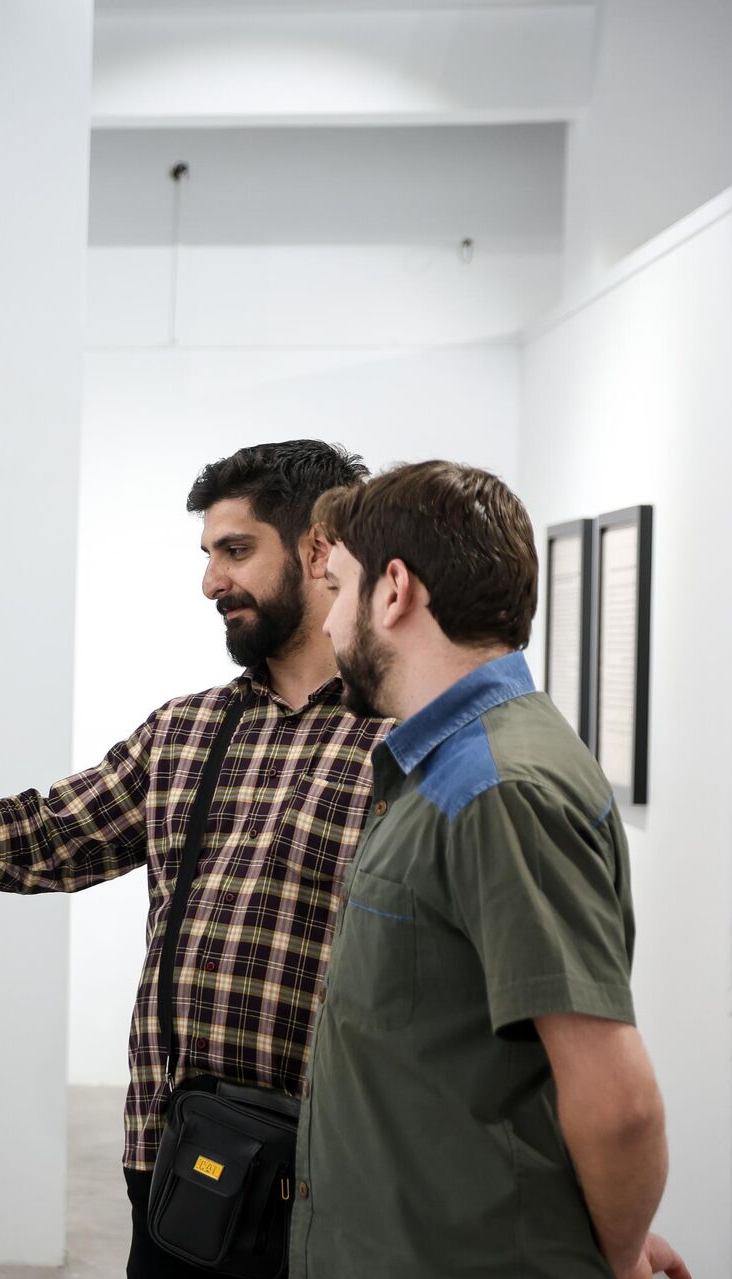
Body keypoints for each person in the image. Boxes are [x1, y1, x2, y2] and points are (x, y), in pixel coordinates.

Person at [0, 440, 386, 1277]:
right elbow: (44, 837)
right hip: (179, 1160)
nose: (211, 583)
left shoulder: (402, 741)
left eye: (236, 551)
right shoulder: (186, 730)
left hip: (334, 1184)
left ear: (318, 551)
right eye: (207, 556)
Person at [294, 462, 686, 1278]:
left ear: (394, 590)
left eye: (339, 587)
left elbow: (620, 1105)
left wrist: (619, 1259)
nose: (329, 620)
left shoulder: (495, 790)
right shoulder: (455, 767)